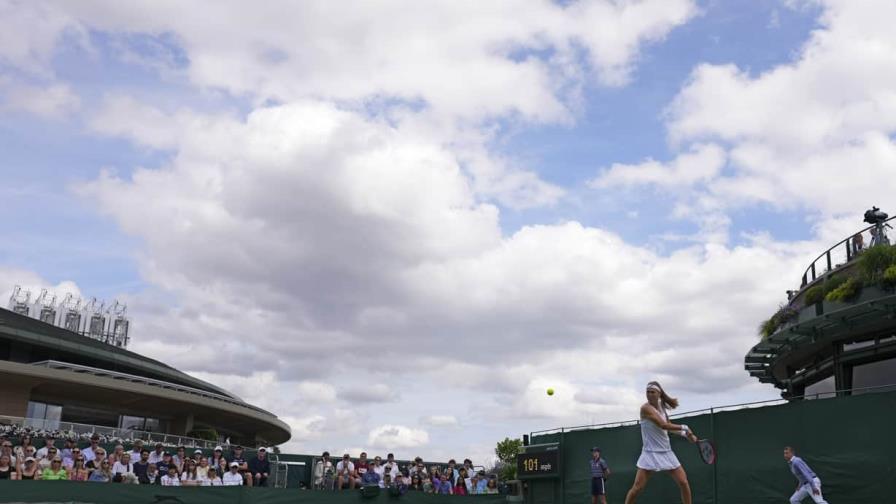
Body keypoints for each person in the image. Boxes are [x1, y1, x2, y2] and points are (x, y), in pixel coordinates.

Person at [624, 381, 698, 504]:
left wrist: (686, 435)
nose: (649, 394)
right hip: (650, 454)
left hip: (666, 452)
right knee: (637, 488)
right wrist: (685, 427)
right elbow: (663, 425)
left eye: (652, 392)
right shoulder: (645, 408)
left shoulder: (661, 407)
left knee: (683, 482)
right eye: (647, 392)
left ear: (659, 394)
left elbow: (668, 427)